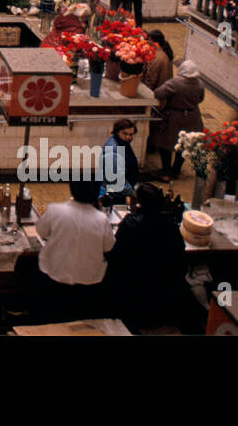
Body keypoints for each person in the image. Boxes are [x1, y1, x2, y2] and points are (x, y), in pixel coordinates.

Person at [106, 183, 199, 333]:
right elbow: (181, 262)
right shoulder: (170, 225)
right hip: (163, 295)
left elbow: (115, 258)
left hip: (135, 295)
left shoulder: (130, 223)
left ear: (138, 204)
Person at [35, 180, 114, 322]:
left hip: (54, 278)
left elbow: (42, 232)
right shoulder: (101, 219)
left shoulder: (55, 210)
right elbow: (109, 247)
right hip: (88, 285)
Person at [151, 60, 205, 180]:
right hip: (193, 117)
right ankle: (176, 170)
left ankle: (165, 171)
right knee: (184, 144)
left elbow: (158, 93)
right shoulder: (200, 84)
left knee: (165, 142)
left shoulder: (176, 83)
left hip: (175, 116)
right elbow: (201, 98)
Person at [101, 119, 141, 199]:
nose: (128, 137)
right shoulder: (113, 151)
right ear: (117, 132)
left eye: (131, 135)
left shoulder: (122, 143)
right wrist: (134, 193)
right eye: (125, 134)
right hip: (115, 195)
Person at [143, 29, 174, 94]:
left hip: (157, 94)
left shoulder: (155, 57)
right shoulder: (165, 53)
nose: (147, 41)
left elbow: (151, 80)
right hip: (164, 91)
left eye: (149, 39)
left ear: (154, 42)